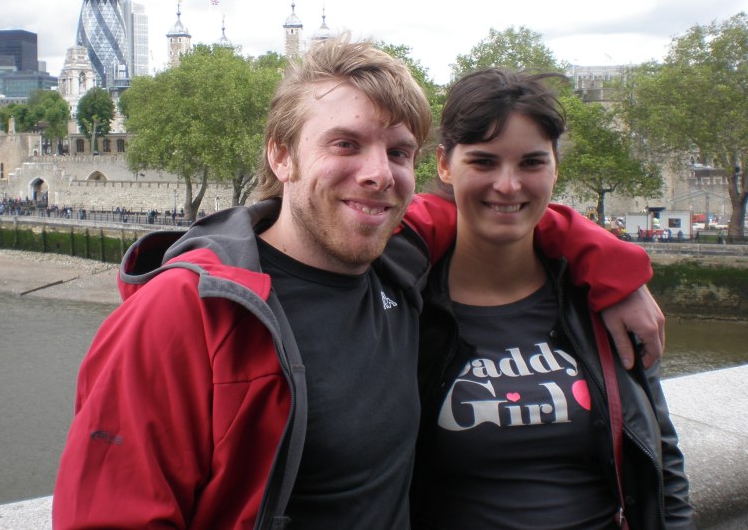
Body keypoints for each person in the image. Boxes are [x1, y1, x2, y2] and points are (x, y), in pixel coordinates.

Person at [53, 37, 663, 529]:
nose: (377, 175)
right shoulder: (183, 313)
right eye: (345, 144)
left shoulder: (397, 263)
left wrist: (615, 269)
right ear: (281, 156)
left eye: (399, 152)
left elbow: (506, 212)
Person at [412, 69, 693, 528]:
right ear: (445, 164)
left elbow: (661, 457)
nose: (508, 185)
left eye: (531, 163)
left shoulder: (600, 300)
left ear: (555, 166)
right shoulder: (407, 305)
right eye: (483, 162)